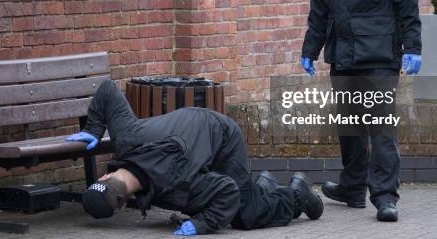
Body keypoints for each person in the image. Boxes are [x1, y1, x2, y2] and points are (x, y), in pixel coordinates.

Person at [300, 0, 422, 222]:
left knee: (380, 124)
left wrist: (412, 45)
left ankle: (384, 197)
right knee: (350, 125)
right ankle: (352, 187)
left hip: (380, 53)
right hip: (343, 51)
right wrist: (311, 46)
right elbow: (320, 1)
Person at [66, 79, 323, 235]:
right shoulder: (126, 138)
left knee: (244, 215)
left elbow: (227, 191)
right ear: (106, 175)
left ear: (122, 205)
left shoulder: (177, 188)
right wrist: (93, 130)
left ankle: (298, 195)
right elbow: (108, 90)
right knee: (235, 199)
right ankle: (261, 186)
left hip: (222, 138)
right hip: (194, 127)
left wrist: (204, 225)